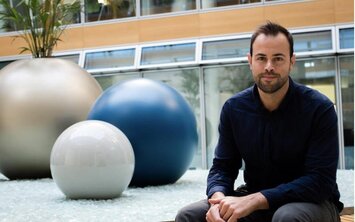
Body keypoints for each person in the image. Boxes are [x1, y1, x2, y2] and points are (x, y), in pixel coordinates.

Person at [175, 21, 343, 222]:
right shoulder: (234, 108)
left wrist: (256, 199)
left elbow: (319, 181)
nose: (269, 67)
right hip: (255, 197)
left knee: (287, 217)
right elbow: (223, 167)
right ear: (250, 60)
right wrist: (218, 199)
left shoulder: (319, 108)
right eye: (261, 58)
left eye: (278, 59)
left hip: (313, 202)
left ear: (292, 61)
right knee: (189, 216)